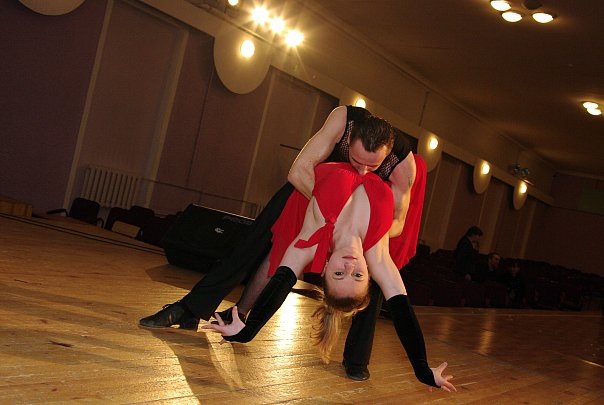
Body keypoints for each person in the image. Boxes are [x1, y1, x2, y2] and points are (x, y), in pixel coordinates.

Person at [140, 105, 425, 381]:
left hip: (362, 211)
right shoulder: (343, 120)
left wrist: (368, 229)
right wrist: (330, 208)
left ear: (387, 155)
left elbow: (399, 221)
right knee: (252, 242)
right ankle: (192, 309)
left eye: (372, 166)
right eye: (356, 160)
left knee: (372, 274)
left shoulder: (403, 164)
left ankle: (356, 359)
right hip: (311, 187)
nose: (363, 171)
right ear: (349, 141)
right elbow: (298, 171)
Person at [202, 161, 456, 393]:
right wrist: (422, 368)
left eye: (339, 274)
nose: (349, 265)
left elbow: (281, 283)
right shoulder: (378, 257)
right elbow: (403, 312)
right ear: (370, 274)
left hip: (347, 152)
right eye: (358, 275)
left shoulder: (310, 242)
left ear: (324, 269)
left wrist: (249, 331)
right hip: (389, 160)